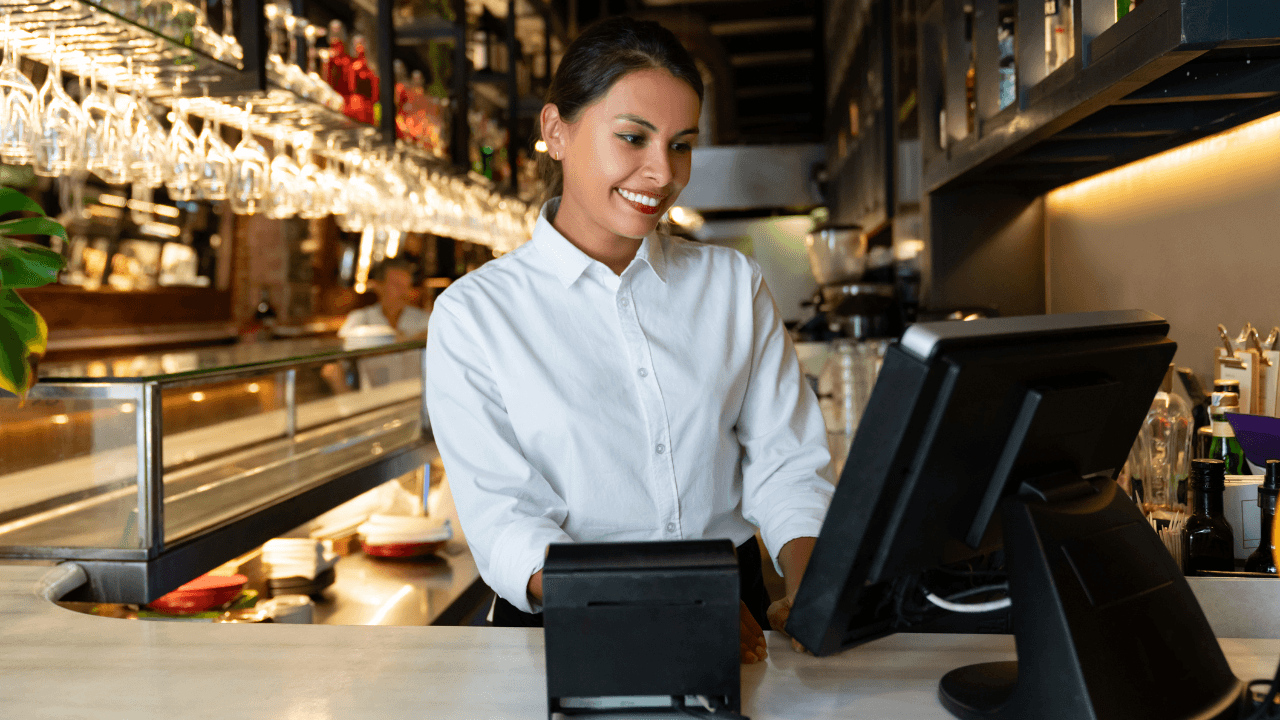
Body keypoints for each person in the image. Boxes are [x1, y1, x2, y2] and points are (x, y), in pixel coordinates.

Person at [425, 16, 833, 664]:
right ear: (556, 131)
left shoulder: (732, 285)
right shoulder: (474, 314)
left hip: (733, 615)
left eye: (682, 145)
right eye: (633, 137)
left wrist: (817, 584)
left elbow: (786, 463)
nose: (662, 172)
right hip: (565, 624)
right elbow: (504, 520)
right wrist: (656, 598)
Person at [338, 259, 430, 341]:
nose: (404, 292)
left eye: (407, 286)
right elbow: (343, 343)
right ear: (379, 286)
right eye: (397, 285)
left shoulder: (423, 319)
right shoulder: (360, 318)